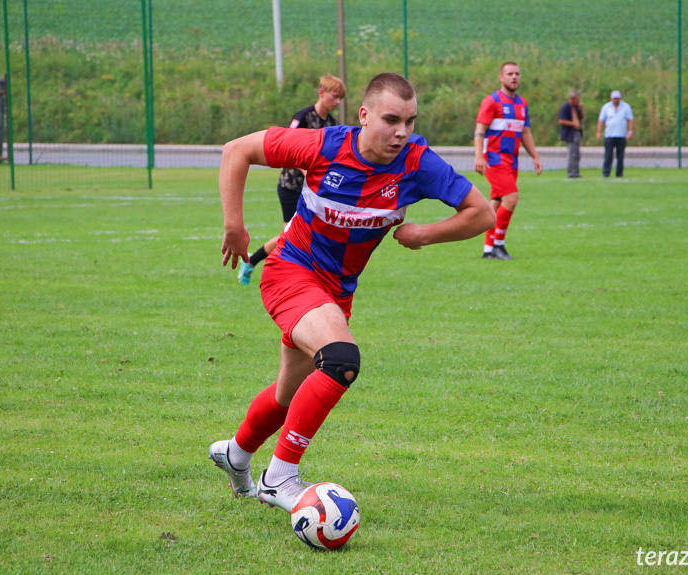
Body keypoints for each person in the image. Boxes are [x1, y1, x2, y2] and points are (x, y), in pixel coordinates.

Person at [209, 73, 495, 512]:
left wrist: (425, 235)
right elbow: (237, 150)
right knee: (341, 360)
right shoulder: (323, 145)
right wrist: (235, 224)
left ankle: (237, 453)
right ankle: (278, 477)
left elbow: (482, 213)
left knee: (289, 397)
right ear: (364, 116)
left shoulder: (416, 163)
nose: (402, 132)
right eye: (391, 119)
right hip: (290, 271)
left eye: (410, 121)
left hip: (336, 291)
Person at [237, 75, 346, 285]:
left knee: (315, 233)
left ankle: (310, 276)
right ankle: (254, 262)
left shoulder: (332, 124)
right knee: (290, 235)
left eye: (340, 98)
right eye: (335, 96)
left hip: (314, 191)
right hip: (291, 187)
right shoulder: (303, 117)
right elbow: (287, 147)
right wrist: (307, 171)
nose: (338, 102)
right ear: (321, 92)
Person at [474, 61, 543, 261]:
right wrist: (478, 155)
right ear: (501, 77)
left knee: (495, 203)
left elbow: (525, 132)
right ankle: (498, 244)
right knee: (511, 199)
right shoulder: (491, 101)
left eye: (517, 73)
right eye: (510, 73)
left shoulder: (522, 104)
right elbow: (480, 131)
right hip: (494, 159)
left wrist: (535, 156)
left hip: (512, 161)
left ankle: (488, 249)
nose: (514, 77)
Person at [596, 90, 634, 178]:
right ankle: (606, 173)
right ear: (611, 98)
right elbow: (601, 120)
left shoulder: (626, 107)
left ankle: (619, 173)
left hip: (621, 135)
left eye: (617, 98)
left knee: (620, 156)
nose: (616, 100)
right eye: (614, 98)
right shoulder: (606, 107)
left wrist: (630, 131)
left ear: (620, 98)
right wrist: (598, 132)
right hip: (609, 135)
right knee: (608, 155)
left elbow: (630, 119)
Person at [558, 90, 584, 178]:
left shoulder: (577, 107)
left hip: (577, 132)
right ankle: (571, 173)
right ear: (572, 99)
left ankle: (576, 172)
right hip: (570, 133)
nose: (579, 101)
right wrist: (573, 123)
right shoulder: (565, 107)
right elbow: (561, 120)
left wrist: (582, 108)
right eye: (577, 100)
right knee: (572, 154)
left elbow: (582, 117)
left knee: (577, 154)